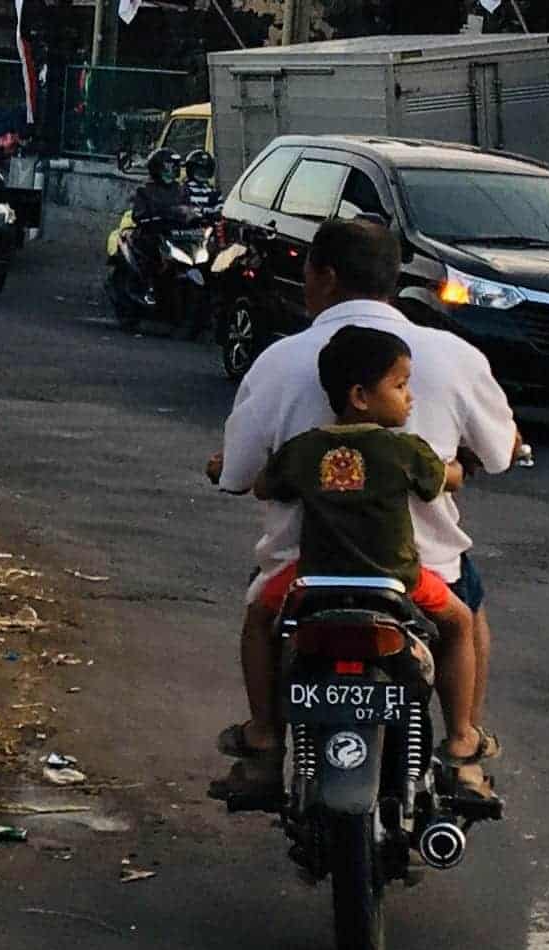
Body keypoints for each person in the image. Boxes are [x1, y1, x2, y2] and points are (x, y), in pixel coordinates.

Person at [207, 219, 519, 802]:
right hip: (415, 573)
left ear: (322, 275)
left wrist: (233, 470)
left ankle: (265, 744)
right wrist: (465, 465)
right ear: (393, 279)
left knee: (258, 617)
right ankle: (464, 750)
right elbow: (498, 455)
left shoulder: (279, 361)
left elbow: (242, 477)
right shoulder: (452, 357)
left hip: (302, 572)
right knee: (465, 611)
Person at [131, 147, 195, 306]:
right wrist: (163, 214)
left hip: (175, 234)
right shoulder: (145, 190)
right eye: (168, 166)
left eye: (174, 166)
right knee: (154, 252)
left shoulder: (181, 190)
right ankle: (149, 288)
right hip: (152, 233)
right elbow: (139, 215)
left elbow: (189, 209)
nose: (172, 170)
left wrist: (193, 215)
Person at [181, 149, 222, 214]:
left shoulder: (212, 191)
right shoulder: (185, 190)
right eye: (199, 170)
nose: (203, 173)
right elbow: (183, 209)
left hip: (210, 223)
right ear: (190, 170)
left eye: (206, 170)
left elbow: (220, 208)